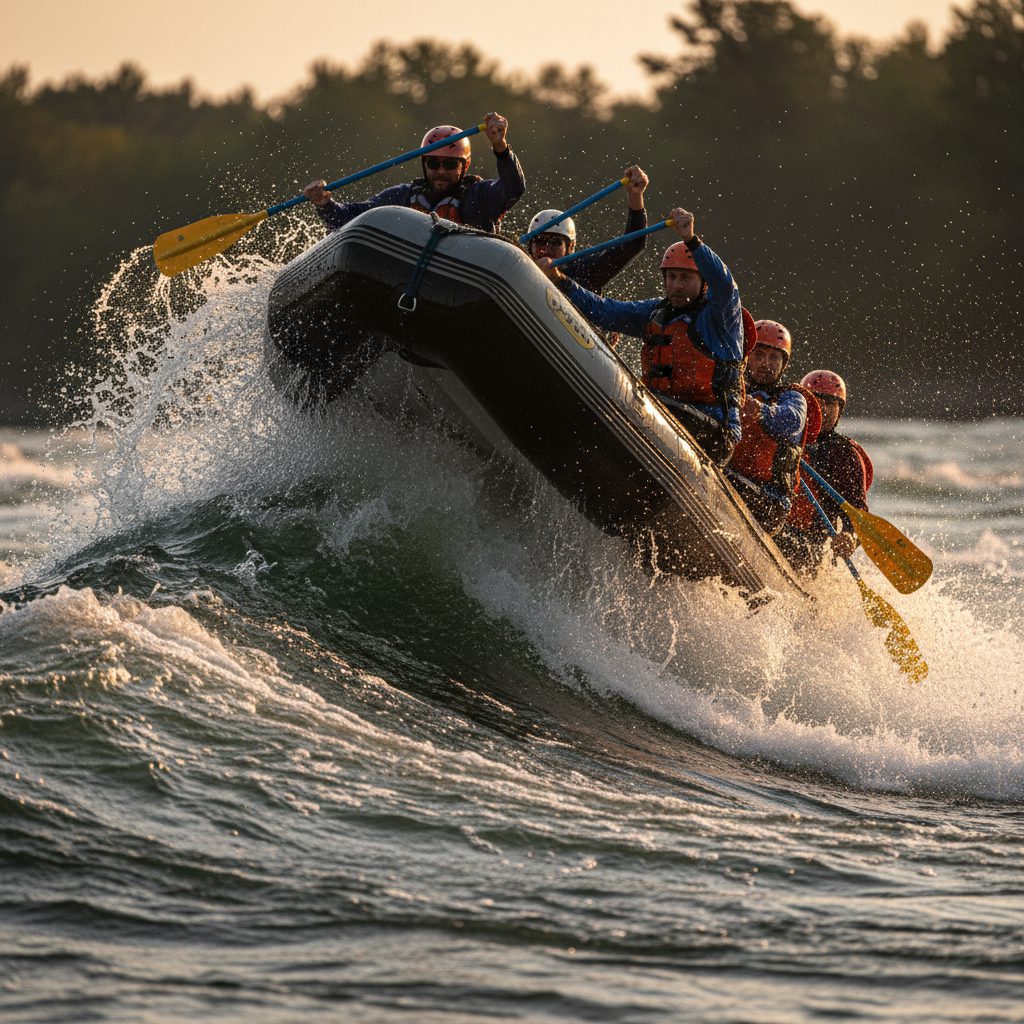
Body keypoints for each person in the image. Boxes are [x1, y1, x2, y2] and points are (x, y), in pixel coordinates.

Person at [538, 206, 748, 465]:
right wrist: (561, 280)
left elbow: (725, 284)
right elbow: (605, 311)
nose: (677, 285)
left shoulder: (720, 318)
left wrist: (692, 241)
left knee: (636, 401)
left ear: (703, 283)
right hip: (664, 414)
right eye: (672, 277)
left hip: (712, 431)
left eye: (686, 278)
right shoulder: (654, 313)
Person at [302, 113, 525, 234]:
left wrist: (501, 147)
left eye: (449, 165)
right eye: (433, 163)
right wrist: (325, 204)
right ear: (423, 163)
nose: (440, 171)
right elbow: (350, 218)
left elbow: (513, 188)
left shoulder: (480, 195)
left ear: (464, 167)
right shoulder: (402, 197)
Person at [724, 320, 822, 535]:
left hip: (768, 501)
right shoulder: (730, 388)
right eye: (759, 356)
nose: (766, 364)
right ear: (747, 358)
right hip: (731, 478)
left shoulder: (792, 398)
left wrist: (761, 411)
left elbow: (793, 421)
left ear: (783, 364)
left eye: (774, 357)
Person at [776, 370, 873, 573]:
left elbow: (858, 515)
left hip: (807, 545)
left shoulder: (844, 455)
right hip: (772, 523)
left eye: (831, 404)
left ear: (840, 411)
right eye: (817, 402)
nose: (823, 409)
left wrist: (849, 537)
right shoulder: (784, 431)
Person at [524, 166, 649, 294]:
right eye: (540, 241)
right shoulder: (519, 264)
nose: (546, 250)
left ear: (570, 247)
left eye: (556, 243)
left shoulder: (584, 271)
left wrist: (635, 196)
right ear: (530, 246)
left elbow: (633, 245)